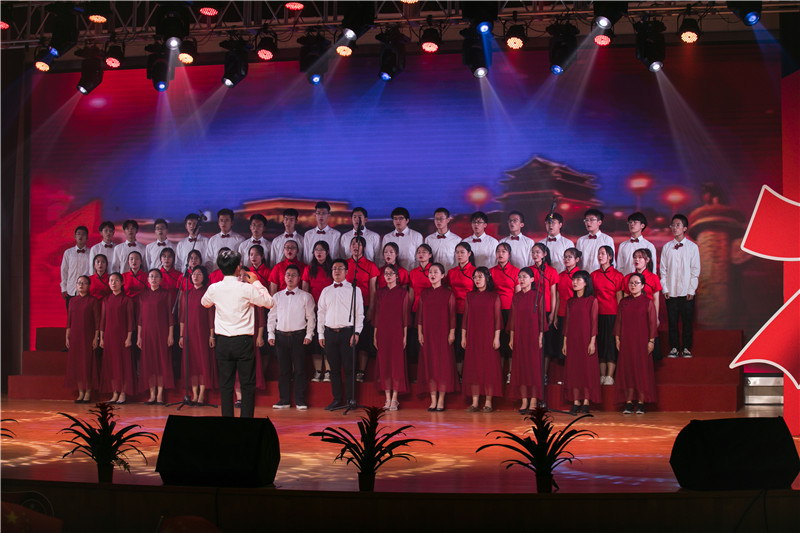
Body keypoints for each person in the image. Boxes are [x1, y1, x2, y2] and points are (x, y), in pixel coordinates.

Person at [201, 250, 274, 418]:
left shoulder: (214, 288)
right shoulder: (246, 288)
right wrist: (256, 283)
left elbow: (204, 303)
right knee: (247, 385)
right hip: (243, 342)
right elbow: (269, 302)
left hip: (223, 342)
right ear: (238, 267)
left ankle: (228, 424)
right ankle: (245, 425)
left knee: (226, 386)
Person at [317, 259, 364, 410]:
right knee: (334, 369)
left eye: (340, 268)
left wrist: (356, 332)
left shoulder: (354, 290)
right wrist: (321, 334)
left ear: (346, 271)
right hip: (330, 333)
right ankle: (337, 399)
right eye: (334, 268)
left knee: (349, 369)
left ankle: (350, 400)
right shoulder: (326, 291)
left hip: (347, 333)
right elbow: (321, 313)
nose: (336, 271)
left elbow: (359, 313)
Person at [268, 264, 316, 410]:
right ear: (284, 277)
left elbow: (311, 317)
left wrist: (309, 334)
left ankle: (300, 400)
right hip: (281, 336)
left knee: (300, 369)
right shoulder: (277, 296)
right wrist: (271, 334)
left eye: (293, 275)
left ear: (299, 278)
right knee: (283, 370)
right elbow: (272, 317)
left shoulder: (306, 296)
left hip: (299, 336)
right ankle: (284, 400)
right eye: (288, 275)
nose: (290, 278)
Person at [615, 273, 658, 414]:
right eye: (631, 283)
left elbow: (652, 323)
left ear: (643, 285)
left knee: (641, 371)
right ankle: (628, 402)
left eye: (636, 283)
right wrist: (617, 339)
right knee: (627, 371)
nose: (633, 285)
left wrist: (651, 341)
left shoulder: (647, 302)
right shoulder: (623, 302)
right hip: (626, 341)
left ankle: (640, 403)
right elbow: (619, 322)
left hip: (642, 342)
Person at [416, 263, 457, 411]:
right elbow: (419, 316)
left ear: (442, 275)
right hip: (427, 333)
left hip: (443, 333)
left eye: (435, 272)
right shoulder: (424, 293)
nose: (432, 275)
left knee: (442, 366)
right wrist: (420, 333)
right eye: (430, 272)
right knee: (430, 365)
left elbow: (452, 315)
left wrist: (451, 333)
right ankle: (433, 400)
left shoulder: (448, 293)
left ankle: (441, 400)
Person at [461, 266, 502, 413]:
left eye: (480, 276)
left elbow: (498, 319)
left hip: (489, 336)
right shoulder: (470, 296)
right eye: (475, 277)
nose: (477, 280)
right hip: (473, 336)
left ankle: (488, 402)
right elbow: (465, 318)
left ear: (487, 278)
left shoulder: (494, 296)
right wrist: (463, 337)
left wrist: (496, 338)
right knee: (473, 368)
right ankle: (475, 402)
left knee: (489, 367)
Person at [660, 214, 701, 359]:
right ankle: (674, 348)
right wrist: (665, 288)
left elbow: (695, 270)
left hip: (687, 291)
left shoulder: (692, 247)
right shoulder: (667, 247)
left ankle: (686, 348)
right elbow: (663, 270)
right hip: (671, 291)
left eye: (678, 225)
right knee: (672, 322)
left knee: (687, 322)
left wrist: (691, 289)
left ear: (684, 228)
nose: (675, 227)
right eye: (673, 225)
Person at [372, 264, 410, 411]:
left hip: (397, 331)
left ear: (397, 276)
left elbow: (405, 315)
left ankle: (395, 399)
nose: (388, 276)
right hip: (382, 331)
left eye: (391, 273)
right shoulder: (379, 293)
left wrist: (405, 335)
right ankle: (387, 398)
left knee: (396, 364)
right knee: (384, 363)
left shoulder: (403, 293)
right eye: (386, 273)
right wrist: (375, 335)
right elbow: (376, 315)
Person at [508, 267, 546, 415]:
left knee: (533, 368)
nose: (521, 279)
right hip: (519, 336)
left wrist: (540, 337)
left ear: (532, 279)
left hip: (533, 336)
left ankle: (534, 400)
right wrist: (512, 338)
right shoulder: (516, 297)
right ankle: (524, 400)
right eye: (520, 277)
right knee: (521, 368)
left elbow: (541, 318)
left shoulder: (538, 296)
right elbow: (512, 319)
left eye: (524, 277)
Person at [562, 270, 600, 415]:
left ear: (586, 283)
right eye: (574, 279)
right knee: (574, 370)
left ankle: (586, 401)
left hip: (586, 339)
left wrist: (592, 342)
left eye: (578, 280)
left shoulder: (591, 301)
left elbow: (594, 323)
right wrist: (565, 342)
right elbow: (567, 323)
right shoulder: (570, 302)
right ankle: (576, 400)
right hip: (572, 340)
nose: (575, 282)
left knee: (586, 370)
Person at [178, 265, 216, 407]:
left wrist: (211, 335)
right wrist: (181, 336)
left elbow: (211, 315)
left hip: (202, 331)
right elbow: (182, 316)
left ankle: (201, 394)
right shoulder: (186, 294)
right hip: (189, 333)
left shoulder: (207, 293)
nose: (195, 276)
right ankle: (194, 393)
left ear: (204, 277)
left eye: (199, 274)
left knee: (202, 361)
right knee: (191, 362)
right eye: (194, 274)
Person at [137, 269, 175, 405]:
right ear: (147, 279)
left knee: (161, 361)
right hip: (147, 333)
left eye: (156, 276)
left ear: (161, 279)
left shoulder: (166, 294)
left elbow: (170, 316)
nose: (153, 279)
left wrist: (170, 335)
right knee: (149, 363)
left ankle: (159, 395)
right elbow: (140, 318)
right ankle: (152, 394)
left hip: (162, 332)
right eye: (151, 276)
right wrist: (139, 337)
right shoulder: (143, 295)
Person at [346, 236, 380, 383]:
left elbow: (373, 289)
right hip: (347, 307)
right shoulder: (345, 264)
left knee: (364, 339)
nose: (355, 246)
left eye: (359, 244)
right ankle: (350, 370)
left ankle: (361, 370)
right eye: (353, 244)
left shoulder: (371, 266)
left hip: (364, 305)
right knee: (348, 339)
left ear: (364, 248)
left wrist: (371, 309)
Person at [99, 273, 136, 404]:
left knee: (122, 365)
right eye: (111, 281)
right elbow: (103, 320)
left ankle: (123, 393)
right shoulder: (106, 300)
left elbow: (131, 321)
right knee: (112, 365)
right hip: (109, 337)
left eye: (116, 281)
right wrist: (101, 338)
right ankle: (114, 392)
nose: (113, 283)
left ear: (122, 283)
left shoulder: (127, 300)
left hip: (122, 336)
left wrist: (129, 337)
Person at [591, 246, 624, 385]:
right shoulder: (593, 275)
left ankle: (610, 376)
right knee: (601, 343)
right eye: (598, 253)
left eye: (603, 253)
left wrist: (621, 317)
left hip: (612, 314)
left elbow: (620, 298)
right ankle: (602, 375)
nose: (600, 256)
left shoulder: (618, 275)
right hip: (598, 314)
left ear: (610, 257)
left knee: (611, 344)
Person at [65, 276, 100, 404]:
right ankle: (80, 392)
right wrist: (67, 336)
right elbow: (69, 320)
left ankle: (88, 392)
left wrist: (96, 337)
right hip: (75, 336)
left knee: (87, 364)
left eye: (84, 283)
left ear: (89, 286)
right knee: (77, 365)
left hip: (88, 336)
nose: (81, 285)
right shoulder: (72, 301)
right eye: (79, 283)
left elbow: (97, 321)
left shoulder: (93, 301)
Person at [302, 240, 333, 382]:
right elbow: (305, 290)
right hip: (313, 309)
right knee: (315, 341)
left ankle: (328, 371)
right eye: (316, 250)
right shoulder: (309, 269)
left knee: (327, 340)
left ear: (327, 252)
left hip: (329, 310)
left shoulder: (332, 268)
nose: (319, 252)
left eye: (321, 250)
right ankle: (318, 371)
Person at [549, 247, 581, 382]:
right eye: (565, 257)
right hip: (562, 314)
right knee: (562, 347)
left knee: (574, 346)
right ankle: (565, 377)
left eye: (570, 257)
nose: (567, 259)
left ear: (577, 259)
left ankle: (574, 377)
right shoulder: (560, 275)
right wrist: (556, 315)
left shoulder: (580, 276)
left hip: (574, 315)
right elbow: (557, 296)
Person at [447, 242, 476, 378]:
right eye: (457, 252)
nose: (459, 255)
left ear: (469, 254)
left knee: (469, 342)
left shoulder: (475, 272)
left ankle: (469, 372)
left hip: (470, 311)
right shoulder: (451, 272)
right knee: (456, 342)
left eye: (462, 252)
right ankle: (457, 373)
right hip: (454, 311)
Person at [60, 225, 91, 312]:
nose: (80, 236)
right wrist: (64, 288)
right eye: (78, 234)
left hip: (86, 291)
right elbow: (64, 271)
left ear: (87, 237)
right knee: (71, 316)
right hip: (71, 290)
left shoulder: (91, 252)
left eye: (83, 234)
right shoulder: (68, 253)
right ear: (75, 236)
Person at [576, 209, 614, 273]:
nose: (588, 223)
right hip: (584, 276)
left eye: (592, 220)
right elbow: (578, 261)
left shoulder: (607, 239)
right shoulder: (581, 240)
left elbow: (611, 261)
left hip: (601, 275)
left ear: (599, 222)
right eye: (586, 220)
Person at [425, 207, 461, 273]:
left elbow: (459, 261)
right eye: (436, 219)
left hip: (450, 275)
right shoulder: (429, 239)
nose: (438, 221)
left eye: (441, 219)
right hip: (433, 275)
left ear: (448, 220)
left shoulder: (457, 240)